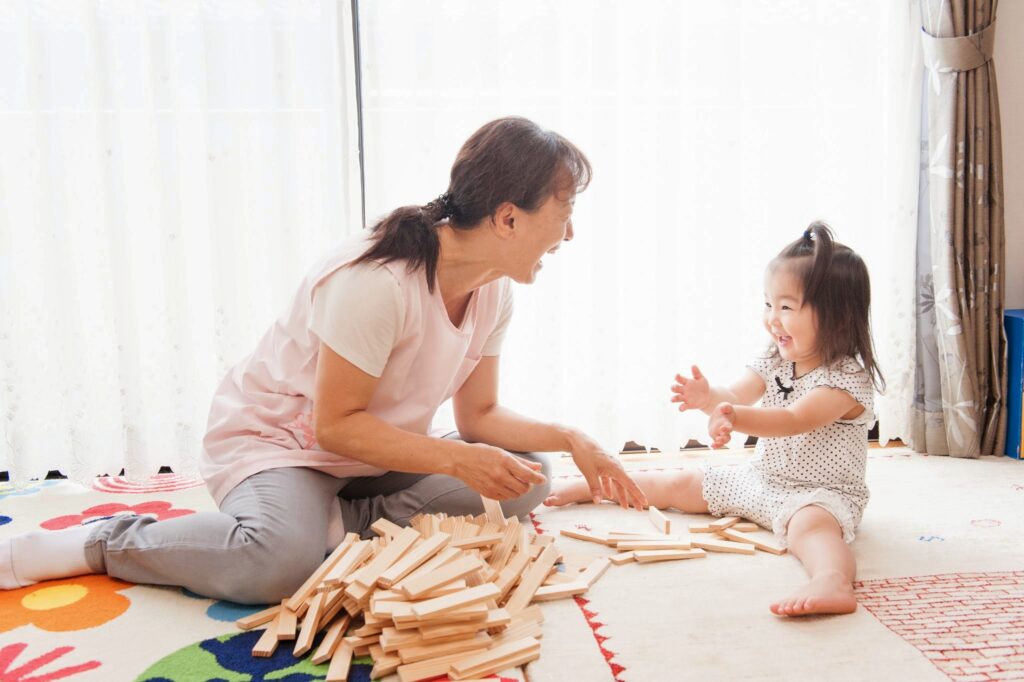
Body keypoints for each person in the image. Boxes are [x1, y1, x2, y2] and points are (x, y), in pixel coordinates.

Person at [0, 116, 646, 603]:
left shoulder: (493, 288)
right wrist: (455, 457)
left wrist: (572, 437)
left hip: (373, 459)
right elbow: (334, 426)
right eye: (565, 212)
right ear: (508, 217)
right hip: (282, 446)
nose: (569, 234)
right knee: (276, 565)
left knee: (525, 477)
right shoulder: (377, 282)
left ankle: (334, 523)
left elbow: (477, 416)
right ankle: (103, 540)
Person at [546, 222, 882, 617]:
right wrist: (711, 399)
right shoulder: (776, 357)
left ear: (838, 318)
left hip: (820, 496)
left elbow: (793, 418)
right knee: (682, 483)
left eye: (786, 307)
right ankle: (598, 484)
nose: (772, 319)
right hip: (762, 480)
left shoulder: (845, 381)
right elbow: (737, 394)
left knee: (809, 530)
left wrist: (734, 416)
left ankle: (832, 580)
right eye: (768, 304)